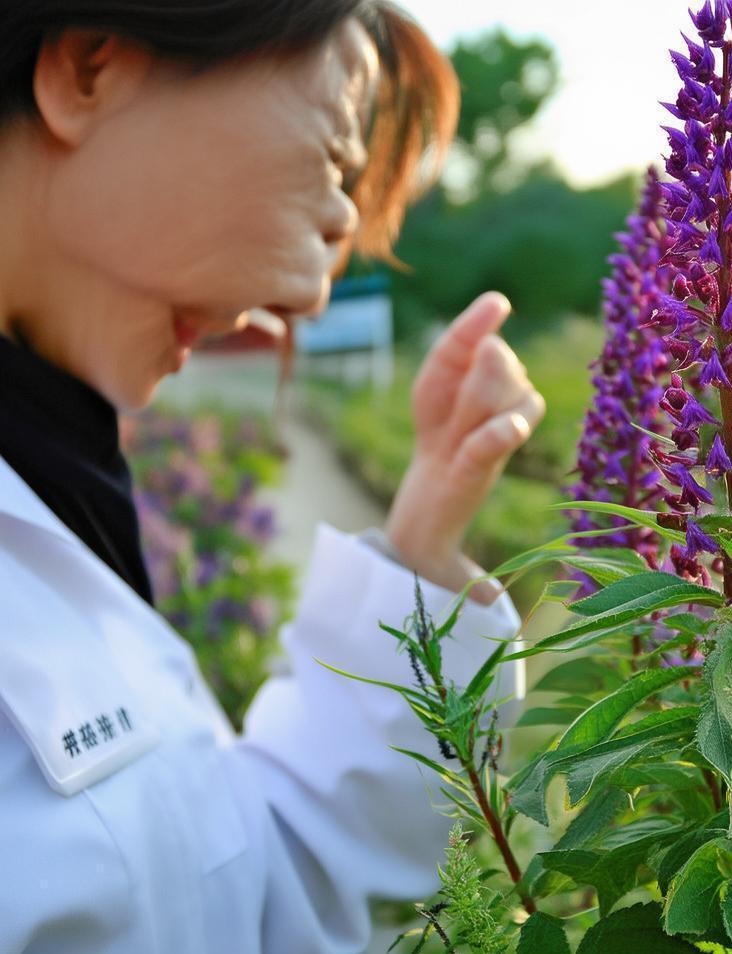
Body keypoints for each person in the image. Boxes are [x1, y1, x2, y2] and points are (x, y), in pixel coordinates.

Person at [0, 2, 545, 951]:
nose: (309, 293)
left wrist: (419, 544)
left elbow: (232, 887)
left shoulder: (58, 473)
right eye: (337, 164)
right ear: (88, 69)